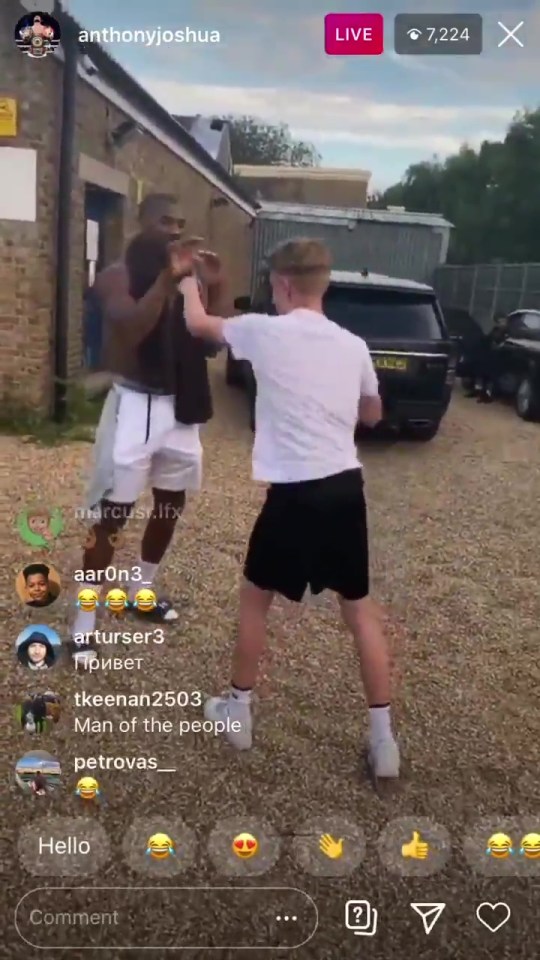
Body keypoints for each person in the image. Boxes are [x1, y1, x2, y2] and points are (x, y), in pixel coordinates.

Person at [176, 237, 400, 779]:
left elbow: (199, 325)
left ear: (282, 285)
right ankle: (384, 741)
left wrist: (186, 280)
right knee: (359, 612)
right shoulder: (353, 344)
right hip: (345, 491)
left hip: (293, 495)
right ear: (322, 283)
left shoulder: (265, 331)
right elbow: (372, 413)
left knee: (256, 602)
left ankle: (238, 712)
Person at [71, 194, 224, 661]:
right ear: (141, 222)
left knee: (171, 501)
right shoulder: (117, 275)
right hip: (135, 402)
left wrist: (215, 287)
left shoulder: (186, 277)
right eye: (164, 221)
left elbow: (212, 341)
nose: (174, 231)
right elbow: (130, 329)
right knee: (112, 514)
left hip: (180, 404)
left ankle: (141, 589)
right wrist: (166, 280)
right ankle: (84, 622)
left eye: (180, 223)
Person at [475, 314, 508, 403]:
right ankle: (483, 395)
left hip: (499, 359)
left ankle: (490, 395)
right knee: (486, 378)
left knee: (492, 379)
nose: (502, 323)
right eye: (500, 321)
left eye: (503, 321)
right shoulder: (495, 330)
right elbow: (488, 340)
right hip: (491, 357)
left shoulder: (507, 333)